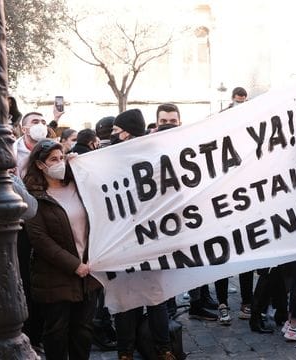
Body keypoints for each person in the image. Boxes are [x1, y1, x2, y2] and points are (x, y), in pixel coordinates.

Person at [23, 139, 101, 359]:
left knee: (83, 331)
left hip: (88, 272)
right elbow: (40, 239)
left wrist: (83, 166)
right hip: (55, 275)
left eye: (62, 157)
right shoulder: (34, 195)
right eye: (53, 160)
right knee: (56, 332)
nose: (59, 163)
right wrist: (74, 265)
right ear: (40, 165)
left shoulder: (79, 185)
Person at [110, 109, 176, 360]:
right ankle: (145, 349)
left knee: (152, 297)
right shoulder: (110, 158)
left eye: (116, 131)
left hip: (147, 239)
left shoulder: (153, 159)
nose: (113, 135)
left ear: (126, 133)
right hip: (127, 242)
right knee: (137, 297)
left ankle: (155, 348)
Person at [15, 112, 50, 177]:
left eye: (43, 123)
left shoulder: (51, 149)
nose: (41, 125)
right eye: (35, 122)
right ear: (24, 129)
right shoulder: (13, 151)